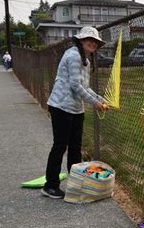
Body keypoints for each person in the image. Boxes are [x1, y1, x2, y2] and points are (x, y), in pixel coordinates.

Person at [42, 26, 109, 199]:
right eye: (89, 39)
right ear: (80, 40)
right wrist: (95, 103)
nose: (92, 43)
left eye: (95, 41)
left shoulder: (84, 58)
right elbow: (75, 85)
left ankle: (76, 183)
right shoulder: (73, 55)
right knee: (60, 145)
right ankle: (50, 185)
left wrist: (100, 99)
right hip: (61, 106)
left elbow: (84, 87)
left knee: (75, 147)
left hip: (75, 108)